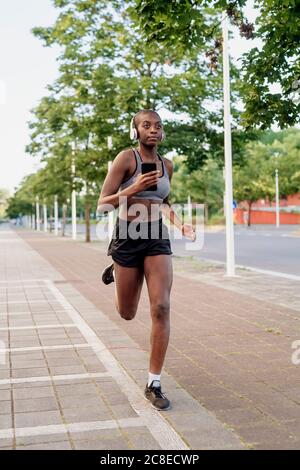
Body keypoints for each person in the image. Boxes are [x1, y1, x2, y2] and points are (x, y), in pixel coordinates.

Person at [97, 110, 196, 411]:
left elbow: (163, 201)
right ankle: (117, 268)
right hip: (127, 236)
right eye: (146, 125)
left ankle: (154, 382)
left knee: (161, 307)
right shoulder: (125, 159)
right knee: (127, 313)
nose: (153, 130)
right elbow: (102, 204)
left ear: (163, 133)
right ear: (135, 130)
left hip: (156, 237)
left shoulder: (167, 165)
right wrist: (133, 188)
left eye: (158, 126)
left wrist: (181, 225)